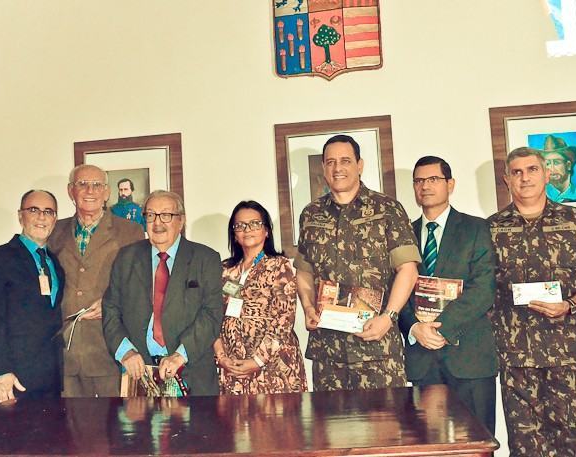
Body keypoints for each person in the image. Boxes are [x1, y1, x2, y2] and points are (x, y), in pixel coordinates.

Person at [0, 164, 145, 397]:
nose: (89, 191)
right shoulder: (54, 230)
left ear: (107, 192)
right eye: (82, 184)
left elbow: (141, 283)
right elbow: (17, 270)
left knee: (109, 431)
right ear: (71, 191)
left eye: (97, 185)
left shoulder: (130, 231)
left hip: (107, 353)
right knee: (61, 432)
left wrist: (112, 302)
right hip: (60, 361)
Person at [488, 147, 576, 457]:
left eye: (531, 169)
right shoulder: (491, 228)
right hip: (516, 353)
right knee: (524, 445)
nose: (524, 177)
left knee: (570, 442)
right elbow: (481, 287)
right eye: (516, 172)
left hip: (565, 350)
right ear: (507, 180)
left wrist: (571, 304)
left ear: (546, 175)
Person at [294, 134, 420, 391]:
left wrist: (389, 316)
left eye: (345, 161)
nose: (337, 168)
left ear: (360, 165)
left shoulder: (387, 209)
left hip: (377, 349)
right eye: (330, 162)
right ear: (323, 168)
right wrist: (307, 308)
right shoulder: (311, 214)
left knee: (385, 430)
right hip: (328, 353)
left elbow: (407, 269)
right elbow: (304, 271)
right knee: (331, 429)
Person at [399, 156, 498, 434]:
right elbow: (393, 289)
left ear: (450, 184)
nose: (425, 186)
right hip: (421, 358)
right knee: (428, 444)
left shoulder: (476, 228)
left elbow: (484, 287)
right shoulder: (401, 233)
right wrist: (415, 327)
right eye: (419, 181)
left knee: (476, 441)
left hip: (469, 357)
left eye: (433, 179)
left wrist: (443, 327)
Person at [102, 190, 223, 395]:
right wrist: (125, 352)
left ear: (181, 220)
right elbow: (111, 308)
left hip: (190, 373)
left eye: (166, 215)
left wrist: (180, 355)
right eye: (151, 215)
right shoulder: (126, 257)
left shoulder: (206, 258)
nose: (157, 222)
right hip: (139, 374)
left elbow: (211, 314)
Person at [0, 190, 65, 404]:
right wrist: (0, 372)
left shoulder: (55, 264)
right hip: (11, 380)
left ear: (55, 219)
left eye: (48, 211)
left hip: (49, 381)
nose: (41, 217)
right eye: (33, 210)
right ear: (20, 216)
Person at [213, 200, 307, 395]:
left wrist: (257, 361)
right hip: (232, 365)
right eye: (240, 225)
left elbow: (284, 319)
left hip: (272, 366)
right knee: (235, 423)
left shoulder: (279, 265)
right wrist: (221, 357)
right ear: (234, 234)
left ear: (266, 231)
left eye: (255, 224)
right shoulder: (223, 269)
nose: (247, 229)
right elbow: (212, 315)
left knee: (273, 424)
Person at [539, 134, 576, 203]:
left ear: (568, 165)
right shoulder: (538, 196)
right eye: (547, 163)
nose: (551, 168)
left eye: (556, 162)